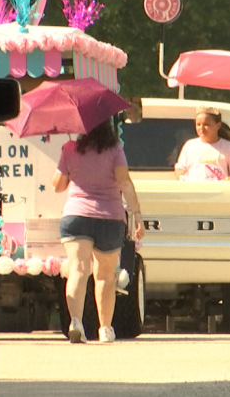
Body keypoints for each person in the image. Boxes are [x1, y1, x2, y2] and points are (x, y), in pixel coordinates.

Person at [53, 118, 146, 343]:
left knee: (78, 270)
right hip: (109, 218)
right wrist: (138, 216)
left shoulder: (69, 149)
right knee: (104, 276)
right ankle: (104, 329)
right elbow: (125, 183)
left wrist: (68, 163)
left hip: (76, 216)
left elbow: (58, 186)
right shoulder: (115, 150)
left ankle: (76, 322)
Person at [175, 106, 230, 181]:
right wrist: (179, 172)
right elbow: (180, 168)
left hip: (219, 191)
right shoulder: (189, 146)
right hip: (194, 190)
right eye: (198, 124)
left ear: (218, 125)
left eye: (206, 125)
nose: (201, 128)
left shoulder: (229, 148)